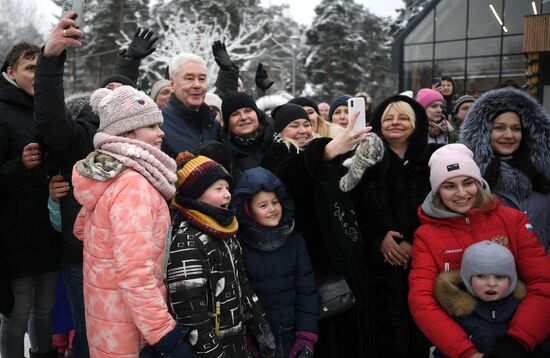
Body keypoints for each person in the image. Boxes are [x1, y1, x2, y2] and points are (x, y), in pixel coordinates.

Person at [34, 15, 159, 357]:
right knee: (93, 343)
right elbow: (49, 118)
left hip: (138, 263)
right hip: (85, 258)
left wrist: (129, 63)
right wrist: (51, 58)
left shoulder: (145, 141)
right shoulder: (79, 135)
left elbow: (121, 99)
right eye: (112, 94)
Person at [72, 86, 193, 358]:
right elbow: (135, 273)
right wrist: (164, 334)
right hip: (131, 330)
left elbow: (83, 230)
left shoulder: (111, 177)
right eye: (151, 126)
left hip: (109, 322)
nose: (161, 133)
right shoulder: (133, 185)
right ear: (126, 132)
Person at [409, 143, 550, 358]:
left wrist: (518, 342)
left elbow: (543, 283)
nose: (461, 193)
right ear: (437, 191)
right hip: (464, 343)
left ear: (479, 183)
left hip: (520, 342)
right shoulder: (426, 237)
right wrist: (466, 352)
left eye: (468, 183)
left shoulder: (513, 221)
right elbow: (422, 301)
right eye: (449, 186)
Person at [262, 103, 371, 358]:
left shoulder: (323, 152)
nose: (302, 130)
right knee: (325, 332)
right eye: (293, 125)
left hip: (343, 253)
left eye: (306, 124)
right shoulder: (275, 157)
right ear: (279, 131)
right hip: (310, 258)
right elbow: (291, 173)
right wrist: (328, 150)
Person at [339, 95, 433, 357]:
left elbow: (444, 208)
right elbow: (352, 209)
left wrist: (416, 242)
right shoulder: (363, 159)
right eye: (389, 118)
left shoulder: (431, 160)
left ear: (416, 124)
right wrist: (378, 238)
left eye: (403, 117)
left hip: (423, 263)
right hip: (377, 268)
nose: (395, 123)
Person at [166, 152, 275, 358]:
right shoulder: (187, 241)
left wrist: (261, 328)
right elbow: (190, 311)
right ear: (195, 194)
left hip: (236, 342)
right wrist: (214, 353)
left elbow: (242, 285)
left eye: (227, 188)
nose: (227, 194)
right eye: (218, 189)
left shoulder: (225, 233)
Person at [0, 41, 60, 358]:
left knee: (46, 308)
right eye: (30, 68)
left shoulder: (48, 108)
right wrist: (19, 165)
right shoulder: (2, 111)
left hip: (49, 226)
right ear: (11, 72)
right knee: (18, 312)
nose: (37, 75)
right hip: (14, 234)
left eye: (40, 67)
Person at [231, 167, 318, 358]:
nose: (272, 209)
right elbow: (237, 297)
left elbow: (307, 289)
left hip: (293, 336)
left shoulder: (294, 240)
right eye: (263, 205)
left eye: (275, 202)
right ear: (248, 210)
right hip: (257, 340)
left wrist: (306, 336)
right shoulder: (238, 245)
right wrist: (246, 341)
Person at [460, 88, 550, 253]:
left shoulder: (543, 175)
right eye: (499, 128)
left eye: (516, 129)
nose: (509, 135)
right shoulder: (470, 179)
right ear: (484, 132)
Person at [434, 240, 550, 357]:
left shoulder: (522, 310)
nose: (491, 283)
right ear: (467, 279)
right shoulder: (459, 314)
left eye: (499, 277)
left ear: (512, 279)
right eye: (481, 276)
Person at [161, 52, 220, 158]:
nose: (197, 85)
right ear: (172, 84)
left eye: (202, 79)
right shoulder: (160, 125)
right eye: (189, 78)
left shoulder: (214, 126)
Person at [220, 91, 274, 175]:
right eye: (235, 114)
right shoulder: (223, 154)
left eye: (248, 111)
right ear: (227, 123)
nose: (244, 117)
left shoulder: (277, 142)